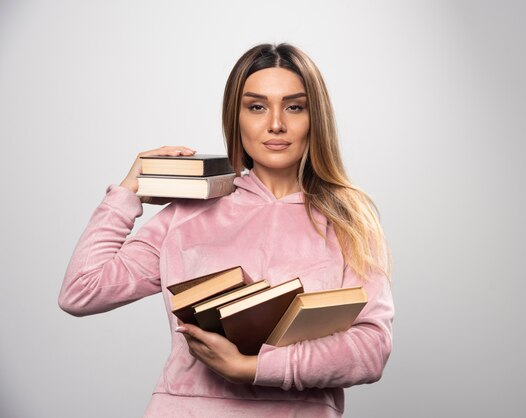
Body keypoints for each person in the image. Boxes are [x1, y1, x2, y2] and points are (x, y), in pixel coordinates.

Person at [59, 43, 394, 417]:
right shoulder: (187, 213)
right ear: (235, 117)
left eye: (294, 106)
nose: (276, 123)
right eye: (256, 106)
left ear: (315, 117)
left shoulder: (349, 220)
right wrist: (126, 191)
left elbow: (371, 348)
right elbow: (81, 291)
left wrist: (253, 369)